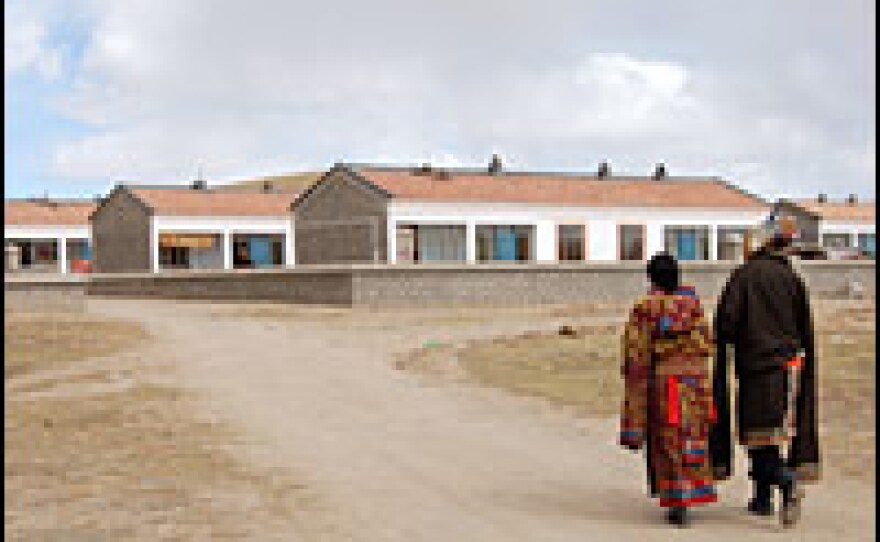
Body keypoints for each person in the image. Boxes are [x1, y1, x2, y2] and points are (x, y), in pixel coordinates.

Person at [709, 214, 820, 528]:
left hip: (759, 369)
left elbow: (727, 323)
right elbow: (803, 328)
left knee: (757, 435)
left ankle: (786, 482)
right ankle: (761, 498)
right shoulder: (792, 279)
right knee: (771, 435)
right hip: (791, 369)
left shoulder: (744, 277)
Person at [620, 253, 718, 528]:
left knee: (668, 440)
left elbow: (636, 351)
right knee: (693, 438)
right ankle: (694, 490)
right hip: (697, 383)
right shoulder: (693, 305)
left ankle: (677, 500)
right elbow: (707, 342)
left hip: (666, 383)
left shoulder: (646, 307)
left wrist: (635, 383)